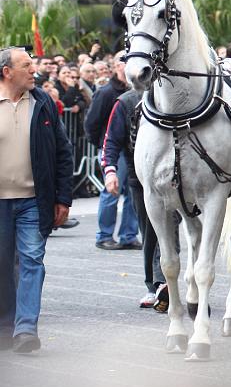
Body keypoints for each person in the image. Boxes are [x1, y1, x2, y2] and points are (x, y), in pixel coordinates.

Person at [0, 46, 74, 353]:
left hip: (34, 200)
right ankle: (7, 323)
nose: (35, 70)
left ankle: (26, 327)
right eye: (27, 65)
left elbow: (63, 152)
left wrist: (63, 198)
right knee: (3, 264)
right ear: (7, 72)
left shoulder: (42, 102)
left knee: (32, 260)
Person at [101, 89, 167, 308]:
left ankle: (164, 283)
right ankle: (156, 284)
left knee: (168, 230)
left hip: (175, 177)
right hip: (139, 178)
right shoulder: (126, 101)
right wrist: (110, 171)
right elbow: (111, 140)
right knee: (150, 231)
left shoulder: (175, 94)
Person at [84, 55, 140, 251]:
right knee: (111, 192)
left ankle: (128, 235)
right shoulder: (107, 92)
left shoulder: (137, 91)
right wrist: (101, 145)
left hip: (130, 150)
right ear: (117, 66)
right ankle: (104, 235)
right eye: (124, 62)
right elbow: (91, 123)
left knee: (133, 193)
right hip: (113, 149)